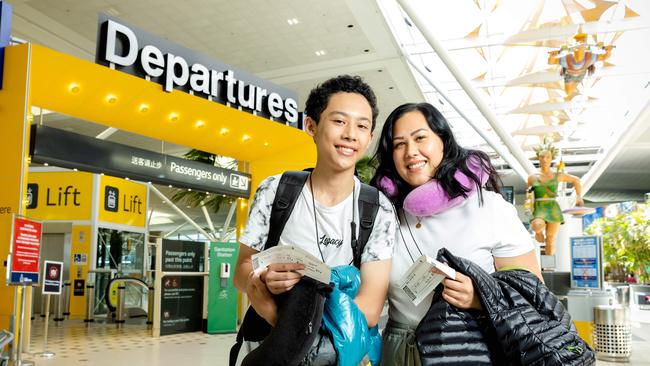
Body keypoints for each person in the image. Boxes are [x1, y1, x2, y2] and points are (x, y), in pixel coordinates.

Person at [233, 75, 396, 364]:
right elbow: (243, 270)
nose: (350, 134)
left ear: (370, 138)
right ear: (311, 125)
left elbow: (370, 306)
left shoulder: (377, 208)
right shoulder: (276, 190)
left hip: (338, 352)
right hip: (272, 344)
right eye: (338, 121)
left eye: (362, 126)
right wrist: (261, 280)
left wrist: (308, 340)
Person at [370, 102, 542, 365]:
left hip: (469, 347)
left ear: (443, 141)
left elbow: (531, 290)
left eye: (420, 138)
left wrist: (480, 298)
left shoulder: (489, 207)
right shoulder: (386, 212)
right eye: (399, 144)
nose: (410, 152)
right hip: (400, 351)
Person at [526, 140, 584, 256]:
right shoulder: (532, 177)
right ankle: (538, 233)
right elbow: (528, 194)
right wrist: (528, 207)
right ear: (539, 158)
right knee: (537, 225)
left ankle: (549, 266)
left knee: (551, 240)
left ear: (551, 158)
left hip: (553, 208)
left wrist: (578, 196)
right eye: (542, 157)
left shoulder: (557, 176)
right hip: (539, 207)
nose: (545, 159)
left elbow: (576, 180)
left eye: (547, 157)